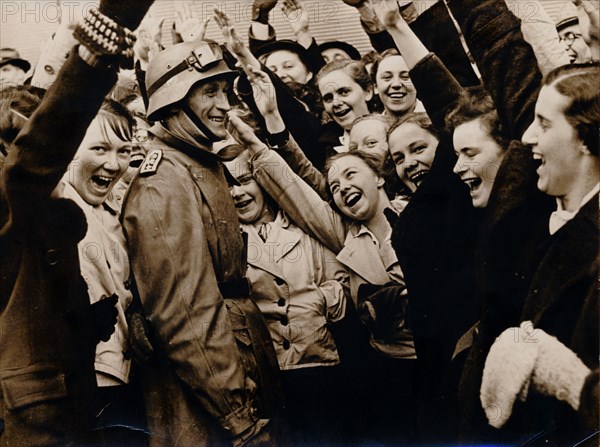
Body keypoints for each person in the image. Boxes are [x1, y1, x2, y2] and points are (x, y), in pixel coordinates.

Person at [228, 66, 418, 445]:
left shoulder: (418, 214)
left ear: (380, 175)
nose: (343, 186)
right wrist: (256, 138)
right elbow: (296, 187)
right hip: (385, 370)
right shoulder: (344, 234)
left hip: (433, 359)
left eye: (351, 174)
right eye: (335, 185)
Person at [0, 0, 154, 444]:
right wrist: (98, 45)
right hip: (35, 418)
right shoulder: (12, 195)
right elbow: (39, 150)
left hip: (71, 399)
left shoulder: (43, 213)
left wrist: (87, 322)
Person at [121, 40, 288, 447]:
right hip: (209, 402)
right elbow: (188, 314)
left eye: (226, 91)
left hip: (235, 372)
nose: (225, 105)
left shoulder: (196, 162)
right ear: (173, 101)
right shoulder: (164, 181)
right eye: (209, 91)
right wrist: (238, 417)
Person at [222, 139, 349, 445]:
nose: (237, 193)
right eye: (227, 186)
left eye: (243, 181)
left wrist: (319, 300)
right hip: (268, 373)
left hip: (319, 363)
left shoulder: (303, 229)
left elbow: (340, 282)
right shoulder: (227, 243)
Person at [58, 99, 148, 446]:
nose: (113, 164)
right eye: (99, 148)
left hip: (124, 375)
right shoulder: (53, 204)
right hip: (80, 381)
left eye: (124, 151)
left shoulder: (117, 209)